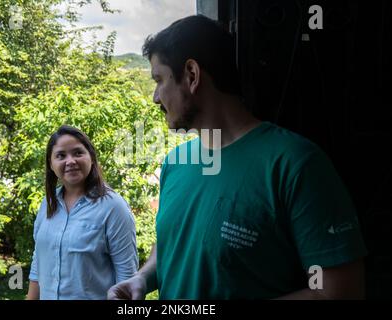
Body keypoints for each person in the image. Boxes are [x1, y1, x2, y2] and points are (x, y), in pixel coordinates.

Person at [107, 15, 367, 300]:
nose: (155, 97)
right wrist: (143, 279)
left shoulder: (295, 164)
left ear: (192, 75)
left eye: (159, 79)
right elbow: (173, 242)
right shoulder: (176, 162)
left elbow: (340, 291)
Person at [27, 125, 138, 300]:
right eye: (61, 155)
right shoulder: (47, 204)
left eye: (78, 153)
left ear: (91, 158)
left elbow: (127, 278)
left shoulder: (114, 208)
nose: (70, 161)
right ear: (51, 164)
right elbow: (38, 263)